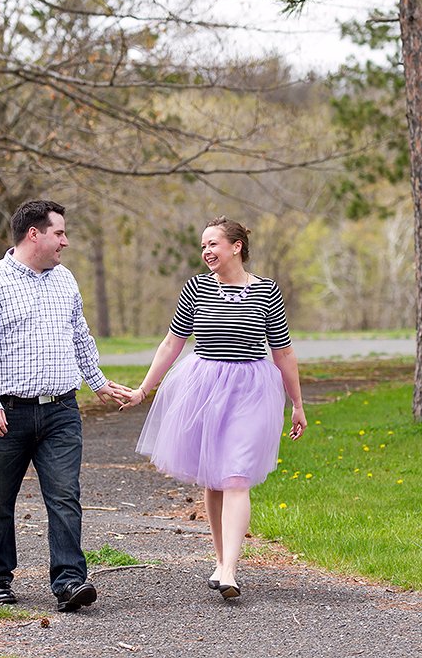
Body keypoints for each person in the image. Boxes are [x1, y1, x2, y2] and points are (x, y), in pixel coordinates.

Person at [119, 216, 306, 600]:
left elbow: (283, 352)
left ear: (236, 246)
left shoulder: (266, 291)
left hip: (251, 390)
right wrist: (142, 390)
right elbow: (171, 344)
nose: (206, 252)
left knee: (236, 476)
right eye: (203, 246)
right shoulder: (196, 288)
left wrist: (297, 404)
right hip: (203, 386)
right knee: (212, 477)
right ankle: (221, 561)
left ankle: (232, 571)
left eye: (213, 244)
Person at [0, 199, 128, 612]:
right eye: (59, 233)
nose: (65, 242)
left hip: (61, 412)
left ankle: (70, 582)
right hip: (8, 413)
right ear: (34, 234)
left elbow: (79, 336)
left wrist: (98, 381)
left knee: (65, 496)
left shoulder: (65, 280)